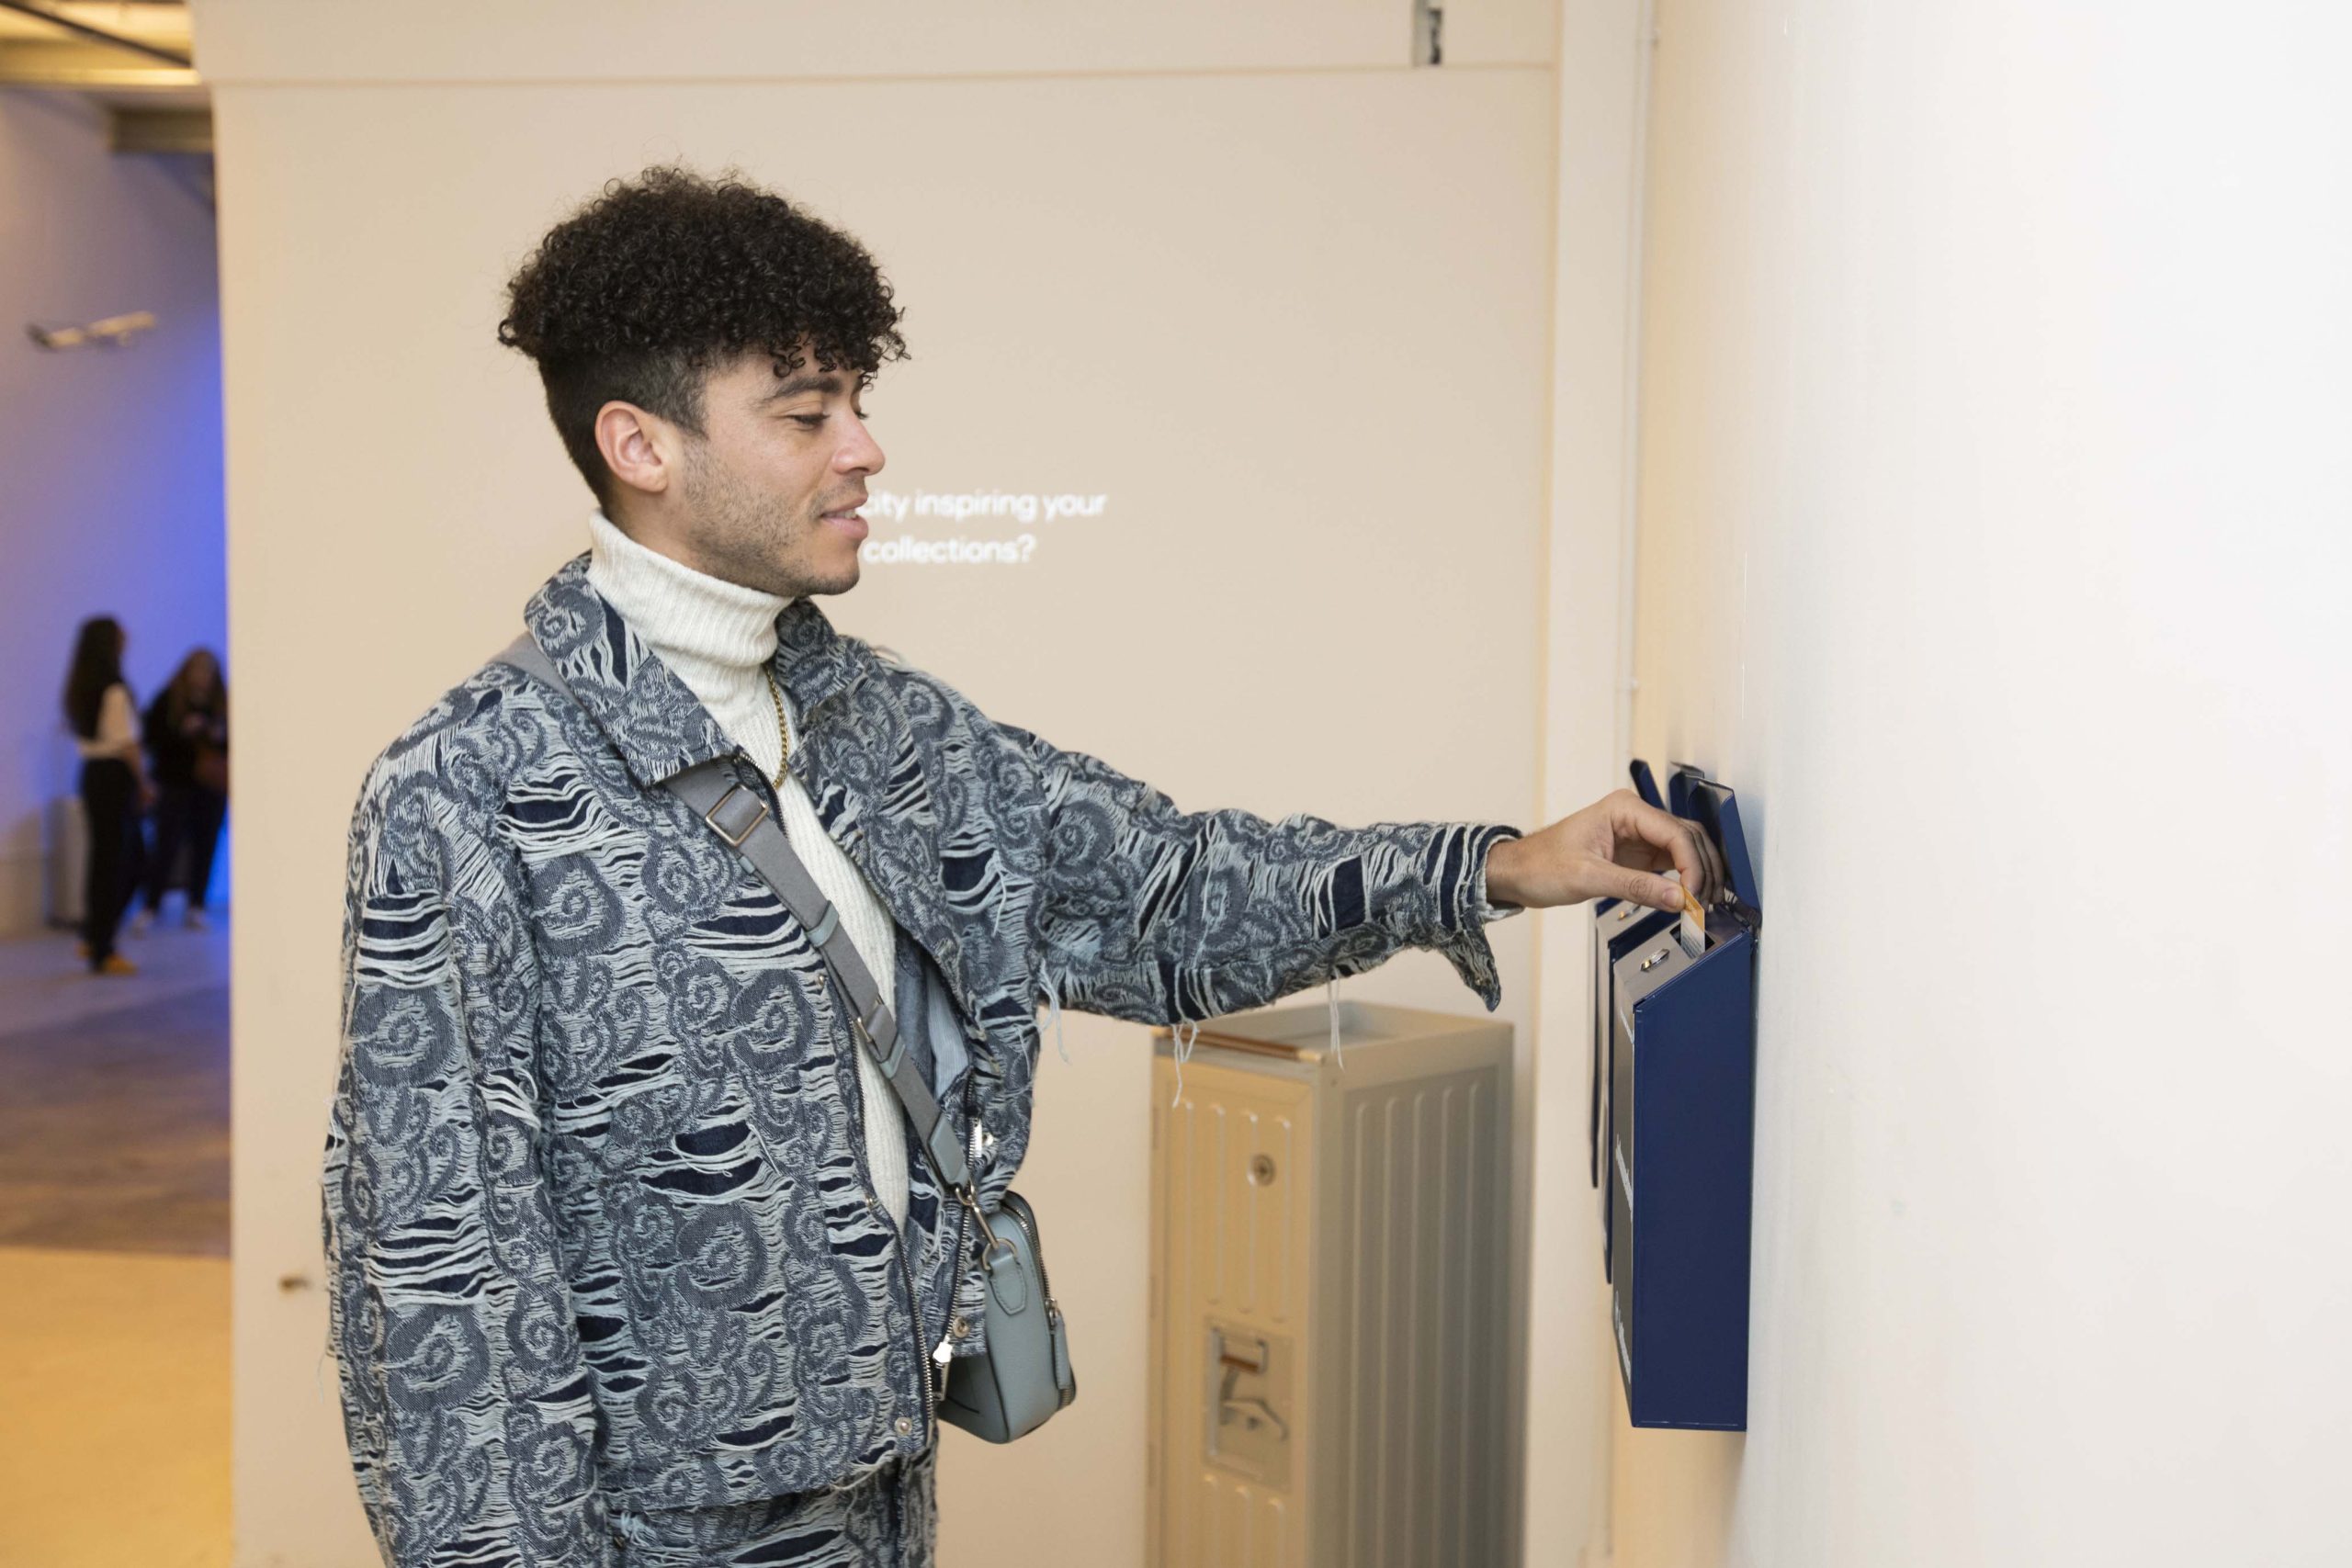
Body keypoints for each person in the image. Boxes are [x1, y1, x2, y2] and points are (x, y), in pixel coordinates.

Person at [322, 167, 1726, 1568]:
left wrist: (1497, 866)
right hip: (642, 1534)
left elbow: (1163, 887)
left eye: (859, 404)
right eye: (808, 414)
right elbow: (444, 1280)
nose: (864, 449)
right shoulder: (465, 791)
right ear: (641, 444)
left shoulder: (887, 726)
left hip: (885, 1487)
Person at [62, 615, 152, 976]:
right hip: (115, 776)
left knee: (106, 861)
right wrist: (144, 783)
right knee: (122, 863)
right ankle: (102, 946)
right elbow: (127, 743)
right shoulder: (114, 689)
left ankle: (94, 936)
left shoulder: (81, 687)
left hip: (93, 776)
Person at [140, 648, 230, 928]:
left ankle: (196, 904)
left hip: (210, 786)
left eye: (208, 670)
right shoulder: (168, 700)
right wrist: (182, 731)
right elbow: (152, 737)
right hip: (176, 783)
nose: (203, 676)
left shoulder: (222, 705)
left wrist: (217, 734)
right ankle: (152, 904)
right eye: (198, 669)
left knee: (206, 845)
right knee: (167, 845)